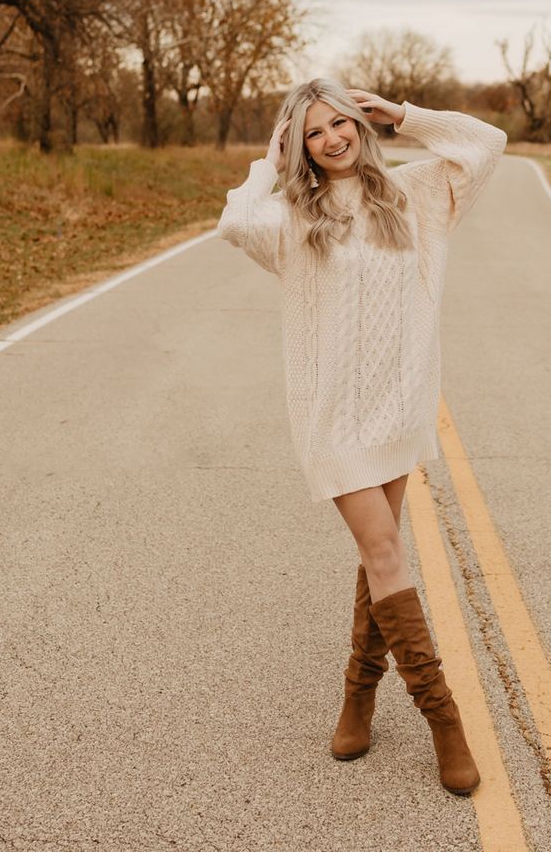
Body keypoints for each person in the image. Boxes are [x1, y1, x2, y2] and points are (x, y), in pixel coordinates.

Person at [217, 78, 507, 795]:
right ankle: (445, 721)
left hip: (399, 405)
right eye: (314, 133)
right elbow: (234, 220)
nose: (333, 139)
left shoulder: (414, 194)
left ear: (360, 122)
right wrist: (269, 156)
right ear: (301, 148)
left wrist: (404, 115)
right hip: (331, 417)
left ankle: (359, 693)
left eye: (340, 122)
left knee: (381, 560)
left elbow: (487, 144)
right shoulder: (291, 214)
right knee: (384, 549)